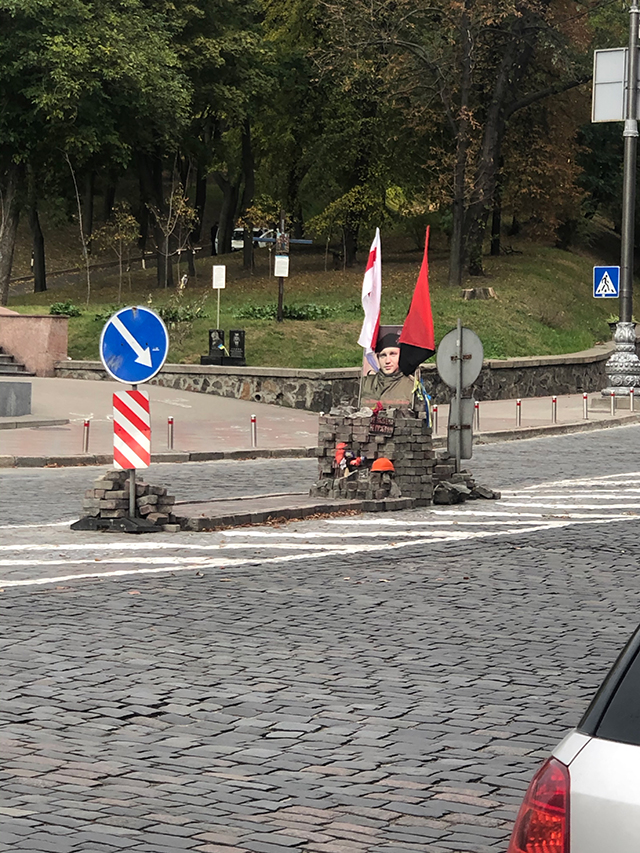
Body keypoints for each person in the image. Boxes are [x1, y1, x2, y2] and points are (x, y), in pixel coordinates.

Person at [361, 331, 415, 407]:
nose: (387, 361)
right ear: (378, 358)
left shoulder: (411, 386)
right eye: (383, 355)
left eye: (393, 354)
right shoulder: (366, 383)